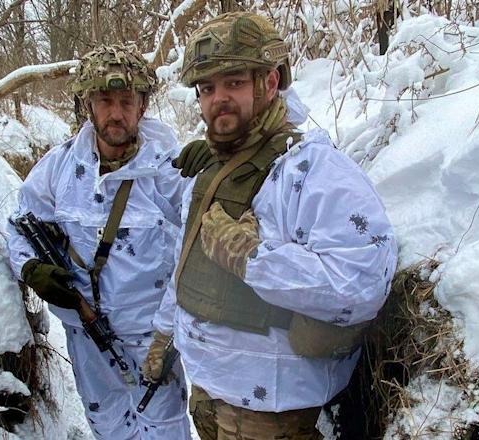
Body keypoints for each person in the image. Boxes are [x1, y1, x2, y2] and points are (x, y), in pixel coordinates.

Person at [142, 12, 398, 439]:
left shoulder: (312, 171)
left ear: (271, 82)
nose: (218, 98)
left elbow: (363, 285)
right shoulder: (212, 171)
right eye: (207, 88)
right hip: (207, 391)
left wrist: (253, 258)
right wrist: (165, 333)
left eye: (234, 83)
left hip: (272, 412)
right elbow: (185, 265)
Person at [6, 45, 191, 440]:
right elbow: (18, 224)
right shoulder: (60, 167)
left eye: (126, 101)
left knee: (164, 429)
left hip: (152, 336)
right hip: (85, 331)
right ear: (87, 105)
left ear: (142, 105)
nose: (116, 113)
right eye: (105, 101)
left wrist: (168, 328)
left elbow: (197, 248)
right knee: (107, 424)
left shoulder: (168, 170)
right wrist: (30, 267)